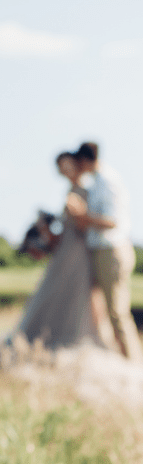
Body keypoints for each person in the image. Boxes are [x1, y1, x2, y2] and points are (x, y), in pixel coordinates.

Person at [0, 151, 102, 362]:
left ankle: (69, 337)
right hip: (65, 249)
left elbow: (85, 223)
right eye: (62, 168)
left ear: (77, 165)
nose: (66, 172)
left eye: (68, 166)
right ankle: (40, 337)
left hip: (78, 251)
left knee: (71, 293)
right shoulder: (72, 190)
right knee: (51, 291)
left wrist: (76, 214)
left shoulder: (87, 191)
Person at [67, 141, 143, 362]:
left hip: (111, 251)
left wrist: (83, 216)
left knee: (117, 311)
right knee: (103, 310)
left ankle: (134, 362)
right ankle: (121, 356)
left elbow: (112, 222)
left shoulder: (108, 181)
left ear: (83, 160)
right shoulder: (98, 181)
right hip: (103, 251)